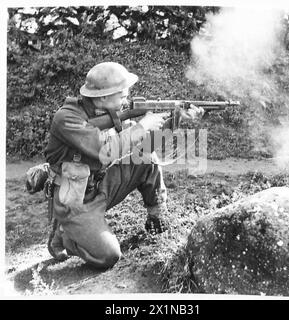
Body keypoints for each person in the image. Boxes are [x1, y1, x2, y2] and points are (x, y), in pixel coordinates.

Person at [45, 62, 203, 269]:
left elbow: (147, 145)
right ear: (102, 97)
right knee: (108, 256)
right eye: (122, 97)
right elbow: (105, 151)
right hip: (75, 199)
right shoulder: (66, 118)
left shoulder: (109, 116)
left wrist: (176, 119)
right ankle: (66, 234)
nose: (126, 101)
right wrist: (142, 125)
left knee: (145, 156)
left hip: (101, 185)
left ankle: (156, 215)